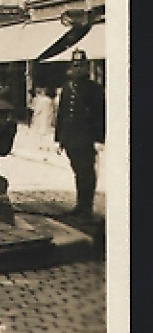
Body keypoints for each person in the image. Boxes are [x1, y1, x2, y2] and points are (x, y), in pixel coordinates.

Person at [54, 49, 105, 217]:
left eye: (81, 65)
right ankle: (80, 204)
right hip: (70, 138)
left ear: (86, 67)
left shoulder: (94, 89)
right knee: (77, 170)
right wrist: (59, 139)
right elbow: (61, 114)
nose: (77, 68)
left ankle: (87, 207)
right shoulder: (67, 88)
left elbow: (100, 115)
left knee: (87, 172)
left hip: (86, 137)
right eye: (75, 65)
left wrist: (98, 139)